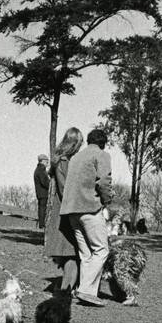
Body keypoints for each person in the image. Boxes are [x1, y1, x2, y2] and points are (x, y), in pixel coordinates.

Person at [60, 128, 116, 307]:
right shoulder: (101, 155)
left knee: (86, 253)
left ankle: (88, 292)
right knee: (102, 250)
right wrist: (107, 201)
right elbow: (104, 181)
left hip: (71, 210)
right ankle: (85, 290)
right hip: (89, 208)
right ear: (103, 142)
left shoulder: (76, 157)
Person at [44, 127, 83, 292]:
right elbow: (65, 188)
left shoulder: (60, 161)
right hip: (65, 213)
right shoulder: (63, 162)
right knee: (70, 253)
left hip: (61, 211)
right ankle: (65, 290)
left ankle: (67, 288)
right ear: (73, 143)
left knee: (70, 253)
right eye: (79, 143)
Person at [33, 153, 51, 230]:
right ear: (42, 161)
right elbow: (44, 182)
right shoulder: (41, 170)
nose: (47, 163)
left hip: (40, 193)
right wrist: (51, 185)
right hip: (43, 193)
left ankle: (41, 223)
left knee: (41, 207)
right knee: (43, 208)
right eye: (46, 162)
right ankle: (42, 223)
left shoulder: (38, 169)